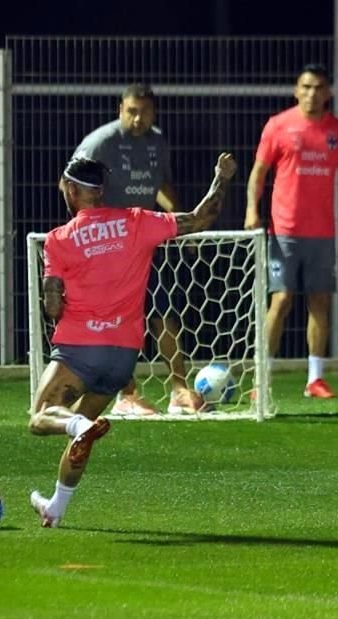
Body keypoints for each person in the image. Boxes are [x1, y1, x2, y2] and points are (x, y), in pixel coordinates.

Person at [28, 152, 236, 528]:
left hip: (80, 348)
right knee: (84, 432)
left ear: (72, 191)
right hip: (123, 355)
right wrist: (221, 177)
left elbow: (53, 306)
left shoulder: (59, 240)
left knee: (41, 417)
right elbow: (201, 217)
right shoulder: (136, 222)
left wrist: (58, 298)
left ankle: (77, 425)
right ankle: (56, 507)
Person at [69, 82, 202, 416]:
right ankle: (126, 395)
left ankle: (179, 390)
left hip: (145, 242)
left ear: (153, 111)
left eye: (144, 111)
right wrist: (87, 231)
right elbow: (69, 184)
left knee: (164, 312)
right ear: (120, 109)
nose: (138, 117)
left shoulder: (157, 141)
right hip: (109, 246)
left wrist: (179, 221)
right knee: (117, 320)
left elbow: (160, 185)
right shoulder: (101, 143)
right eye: (131, 111)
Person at [244, 63, 338, 399]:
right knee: (281, 299)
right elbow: (259, 171)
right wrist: (252, 208)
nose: (312, 93)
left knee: (320, 301)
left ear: (328, 93)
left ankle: (315, 379)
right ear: (296, 90)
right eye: (306, 87)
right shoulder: (278, 126)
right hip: (284, 231)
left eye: (318, 88)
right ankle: (262, 379)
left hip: (322, 233)